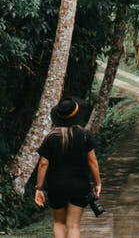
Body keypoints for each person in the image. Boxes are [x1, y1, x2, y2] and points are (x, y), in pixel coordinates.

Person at [34, 97, 102, 238]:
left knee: (59, 223)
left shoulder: (51, 137)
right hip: (80, 185)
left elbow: (43, 164)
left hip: (56, 185)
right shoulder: (84, 135)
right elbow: (93, 161)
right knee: (73, 225)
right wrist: (98, 183)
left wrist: (39, 188)